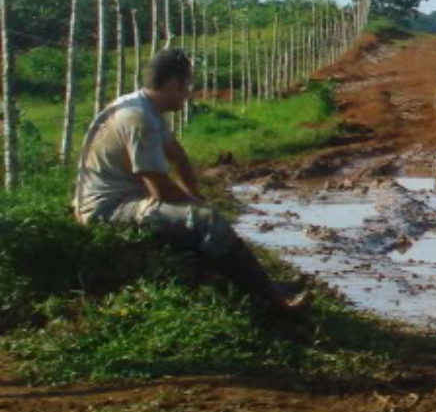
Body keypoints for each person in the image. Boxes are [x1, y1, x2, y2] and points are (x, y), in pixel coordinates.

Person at [73, 48, 309, 317]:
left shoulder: (145, 108)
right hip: (107, 210)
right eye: (188, 86)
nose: (189, 94)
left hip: (124, 198)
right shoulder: (139, 120)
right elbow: (159, 188)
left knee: (201, 214)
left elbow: (178, 156)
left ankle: (268, 287)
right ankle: (275, 303)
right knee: (206, 221)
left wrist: (195, 196)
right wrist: (197, 207)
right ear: (174, 84)